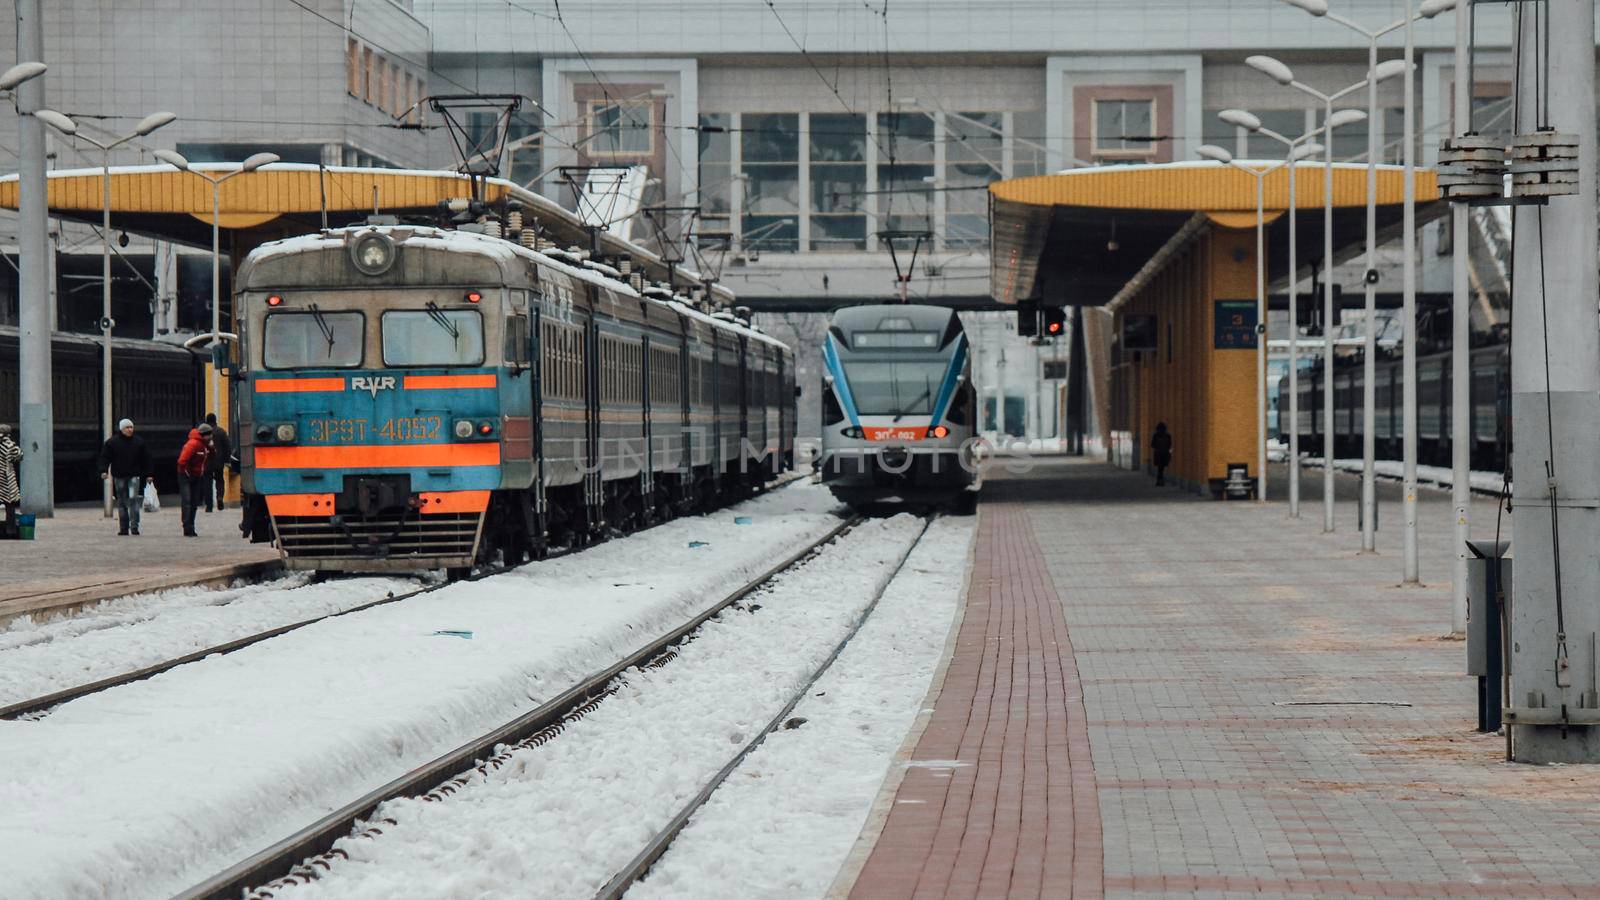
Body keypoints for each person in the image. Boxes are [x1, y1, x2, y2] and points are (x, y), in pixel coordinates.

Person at [97, 418, 155, 536]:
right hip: (119, 476)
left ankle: (134, 527)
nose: (130, 430)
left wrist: (149, 473)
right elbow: (105, 457)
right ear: (121, 429)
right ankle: (124, 528)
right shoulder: (112, 443)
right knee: (122, 502)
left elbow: (146, 459)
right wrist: (103, 470)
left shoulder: (139, 442)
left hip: (134, 475)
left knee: (133, 501)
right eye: (127, 428)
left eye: (131, 427)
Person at [177, 423, 214, 537]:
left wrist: (211, 448)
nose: (211, 437)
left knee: (194, 502)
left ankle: (190, 525)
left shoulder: (205, 445)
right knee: (188, 501)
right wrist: (187, 473)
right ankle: (187, 526)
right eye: (209, 435)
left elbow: (212, 456)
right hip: (186, 476)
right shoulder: (193, 444)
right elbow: (182, 461)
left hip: (197, 476)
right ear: (204, 435)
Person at [203, 413, 231, 513]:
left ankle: (209, 506)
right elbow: (227, 446)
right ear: (215, 420)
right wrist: (227, 460)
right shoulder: (221, 431)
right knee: (219, 480)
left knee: (207, 483)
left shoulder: (204, 432)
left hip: (207, 462)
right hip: (219, 461)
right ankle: (219, 497)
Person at [0, 424, 21, 538]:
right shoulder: (10, 445)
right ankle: (10, 530)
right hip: (6, 479)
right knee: (10, 505)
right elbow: (19, 456)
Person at [1150, 422, 1174, 487]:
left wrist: (1157, 448)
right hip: (1165, 454)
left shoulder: (1156, 435)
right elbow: (1170, 444)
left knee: (1159, 468)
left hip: (1158, 454)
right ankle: (1161, 480)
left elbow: (1152, 444)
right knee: (1162, 468)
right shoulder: (1168, 436)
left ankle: (1159, 481)